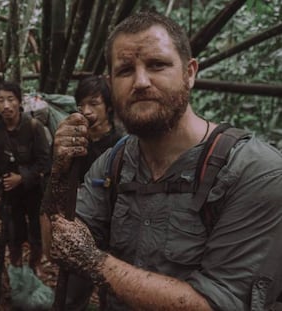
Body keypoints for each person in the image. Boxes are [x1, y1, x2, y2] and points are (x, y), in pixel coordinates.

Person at [40, 10, 282, 311]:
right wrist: (60, 173)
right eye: (126, 70)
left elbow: (220, 303)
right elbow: (56, 246)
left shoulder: (254, 171)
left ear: (190, 72)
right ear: (110, 82)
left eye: (157, 65)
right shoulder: (113, 163)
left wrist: (95, 262)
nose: (141, 82)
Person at [65, 75, 123, 310]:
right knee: (74, 292)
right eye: (81, 105)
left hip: (117, 225)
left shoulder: (121, 143)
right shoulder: (75, 140)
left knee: (113, 293)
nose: (86, 111)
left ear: (108, 106)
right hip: (84, 225)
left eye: (94, 104)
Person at [0, 80, 50, 273]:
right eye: (1, 100)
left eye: (10, 99)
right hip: (8, 191)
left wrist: (22, 177)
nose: (6, 105)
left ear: (19, 102)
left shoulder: (34, 127)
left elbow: (45, 162)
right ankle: (16, 265)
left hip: (33, 189)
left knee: (36, 230)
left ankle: (35, 264)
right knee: (12, 230)